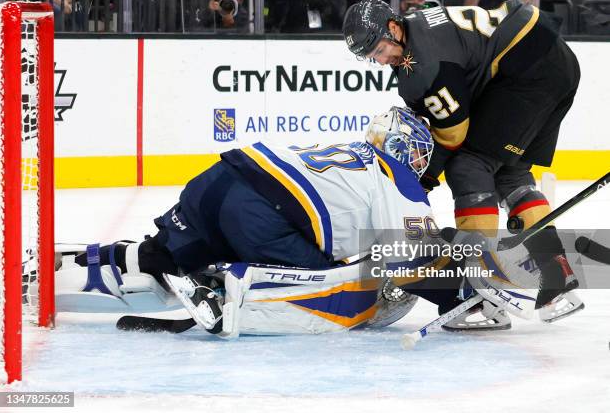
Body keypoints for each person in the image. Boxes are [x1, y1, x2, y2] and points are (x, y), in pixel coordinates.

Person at [70, 108, 535, 336]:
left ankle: (79, 266)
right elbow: (407, 256)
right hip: (258, 215)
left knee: (160, 255)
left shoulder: (345, 152)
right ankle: (225, 286)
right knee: (337, 293)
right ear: (407, 148)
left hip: (213, 184)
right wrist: (457, 290)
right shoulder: (398, 177)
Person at [342, 0, 582, 318]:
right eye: (373, 57)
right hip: (552, 59)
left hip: (528, 70)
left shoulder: (424, 64)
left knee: (468, 165)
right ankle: (556, 273)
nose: (383, 61)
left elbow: (453, 135)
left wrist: (424, 180)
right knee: (509, 173)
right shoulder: (418, 32)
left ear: (393, 27)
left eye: (380, 50)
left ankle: (481, 290)